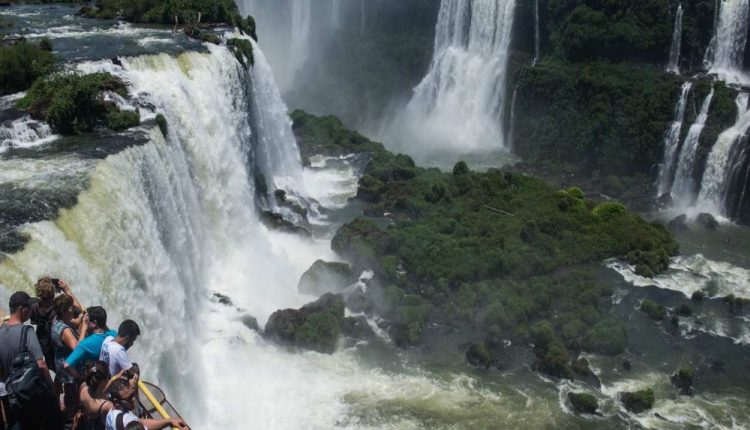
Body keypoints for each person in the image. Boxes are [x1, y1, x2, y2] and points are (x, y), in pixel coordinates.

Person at [0, 291, 63, 430]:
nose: (31, 311)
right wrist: (53, 390)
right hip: (28, 395)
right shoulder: (26, 331)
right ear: (22, 309)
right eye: (29, 308)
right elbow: (41, 364)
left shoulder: (0, 332)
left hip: (9, 397)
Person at [51, 293, 88, 419]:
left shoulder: (57, 319)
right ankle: (69, 418)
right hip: (69, 367)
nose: (74, 309)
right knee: (71, 394)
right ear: (65, 311)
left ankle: (60, 406)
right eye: (71, 308)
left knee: (65, 388)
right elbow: (77, 348)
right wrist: (83, 329)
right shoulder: (65, 330)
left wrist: (82, 317)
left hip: (60, 361)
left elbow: (75, 321)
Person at [106, 378, 187, 430]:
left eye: (133, 394)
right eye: (129, 398)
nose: (133, 399)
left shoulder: (111, 413)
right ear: (116, 402)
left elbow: (140, 422)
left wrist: (169, 421)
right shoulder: (126, 421)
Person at [66, 306, 116, 381]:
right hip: (104, 376)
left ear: (94, 323)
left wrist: (81, 377)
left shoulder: (86, 344)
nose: (85, 322)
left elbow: (67, 365)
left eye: (87, 321)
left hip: (90, 378)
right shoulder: (114, 334)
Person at [77, 361, 115, 430]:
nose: (108, 380)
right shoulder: (107, 405)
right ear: (103, 381)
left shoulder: (83, 387)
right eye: (108, 377)